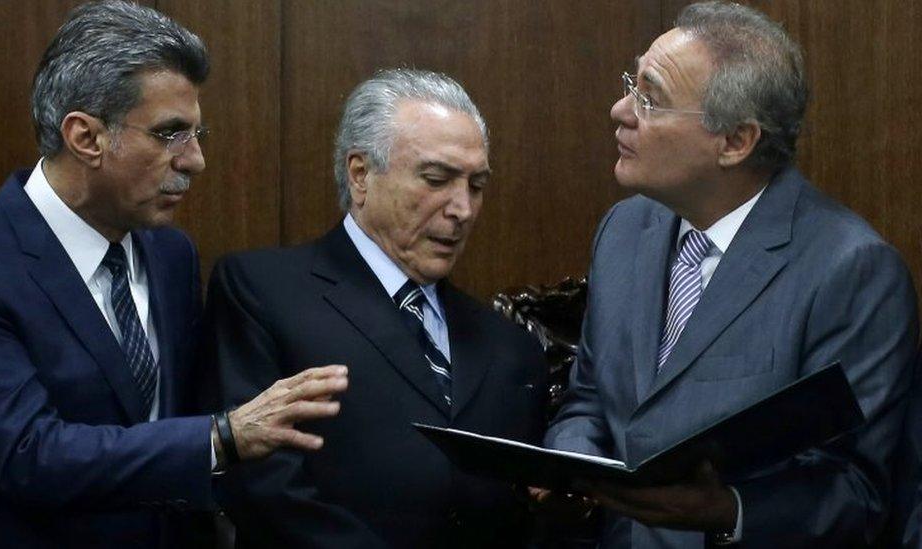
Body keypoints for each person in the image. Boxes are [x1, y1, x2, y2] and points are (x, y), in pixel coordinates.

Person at [0, 2, 347, 548]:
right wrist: (222, 436)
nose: (196, 161)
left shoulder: (170, 254)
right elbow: (28, 454)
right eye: (170, 134)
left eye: (198, 133)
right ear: (86, 137)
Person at [538, 1, 919, 547]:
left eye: (651, 98)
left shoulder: (853, 272)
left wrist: (727, 512)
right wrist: (572, 459)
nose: (620, 110)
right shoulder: (625, 230)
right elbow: (590, 398)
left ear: (736, 141)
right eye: (631, 83)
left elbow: (856, 490)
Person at [202, 68, 548, 547]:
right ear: (361, 174)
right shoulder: (262, 291)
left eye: (476, 185)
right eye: (437, 179)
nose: (463, 209)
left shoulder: (510, 346)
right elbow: (262, 483)